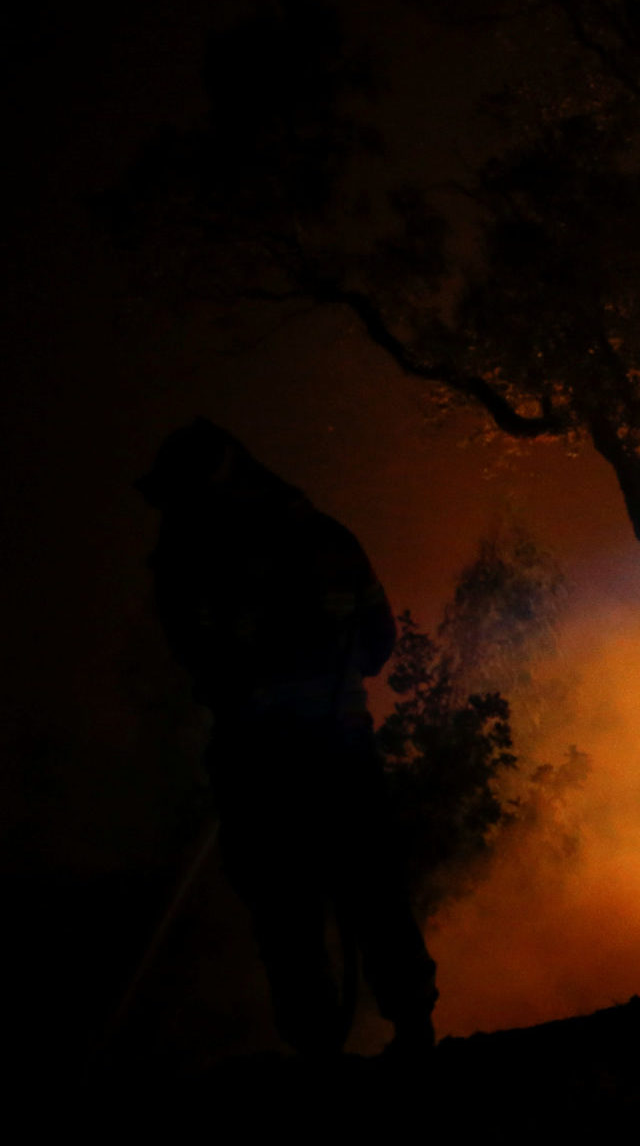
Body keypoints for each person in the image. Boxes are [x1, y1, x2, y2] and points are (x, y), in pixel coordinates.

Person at [137, 418, 437, 1057]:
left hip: (261, 760)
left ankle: (316, 1048)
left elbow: (196, 652)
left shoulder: (194, 555)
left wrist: (255, 674)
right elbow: (380, 640)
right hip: (342, 752)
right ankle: (414, 1027)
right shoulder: (328, 538)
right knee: (371, 888)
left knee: (285, 910)